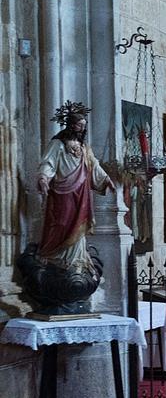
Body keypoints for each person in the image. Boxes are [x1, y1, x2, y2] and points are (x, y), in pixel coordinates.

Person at [37, 101, 115, 272]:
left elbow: (94, 165)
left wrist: (106, 179)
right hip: (62, 193)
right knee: (62, 222)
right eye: (79, 125)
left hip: (81, 192)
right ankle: (55, 255)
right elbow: (48, 163)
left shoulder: (84, 148)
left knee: (79, 225)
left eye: (83, 126)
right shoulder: (58, 144)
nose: (82, 129)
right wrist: (43, 177)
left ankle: (77, 259)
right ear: (72, 125)